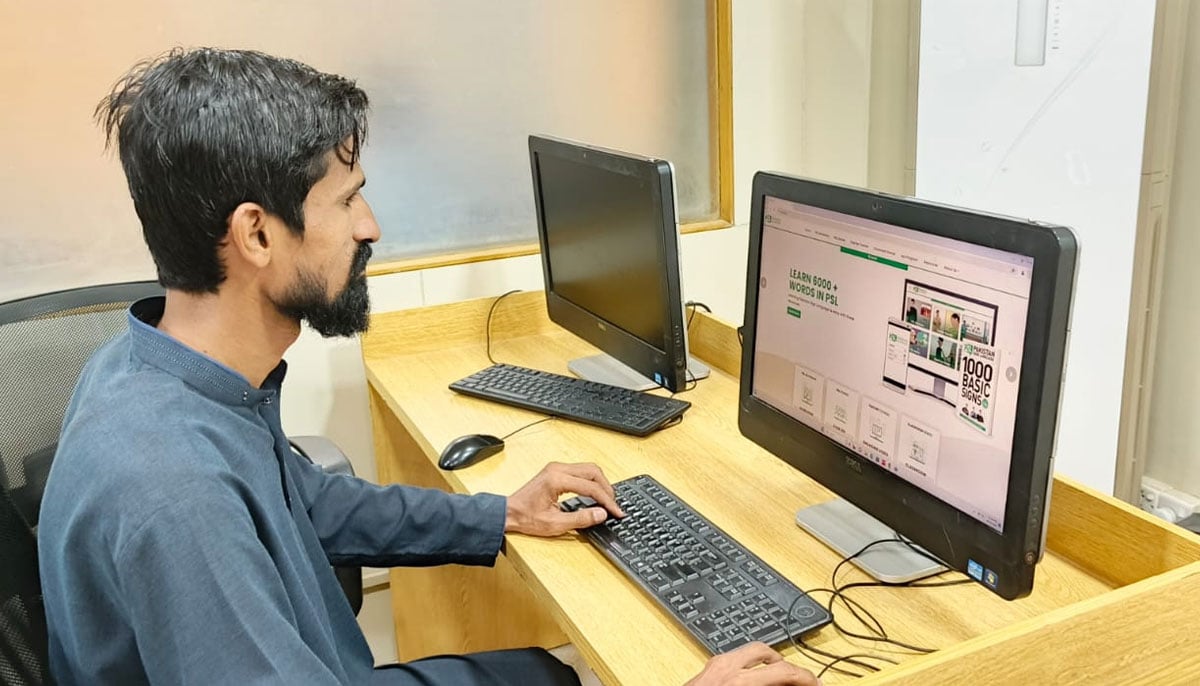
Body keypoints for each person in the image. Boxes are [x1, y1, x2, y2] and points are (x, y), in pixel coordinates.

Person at [37, 48, 820, 686]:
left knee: (552, 674)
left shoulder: (154, 368)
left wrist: (504, 512)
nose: (369, 225)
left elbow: (305, 503)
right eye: (347, 201)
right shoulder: (173, 495)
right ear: (256, 235)